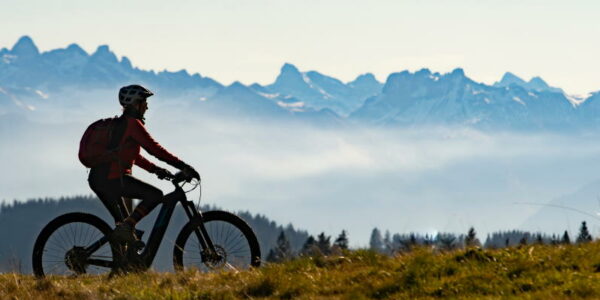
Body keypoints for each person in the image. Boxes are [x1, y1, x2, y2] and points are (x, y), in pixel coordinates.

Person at [88, 84, 199, 244]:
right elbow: (155, 150)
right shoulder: (132, 124)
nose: (147, 106)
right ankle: (126, 231)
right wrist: (183, 167)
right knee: (154, 195)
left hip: (99, 179)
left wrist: (155, 170)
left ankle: (124, 263)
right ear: (136, 104)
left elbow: (133, 156)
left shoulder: (121, 124)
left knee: (125, 230)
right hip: (113, 179)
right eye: (144, 102)